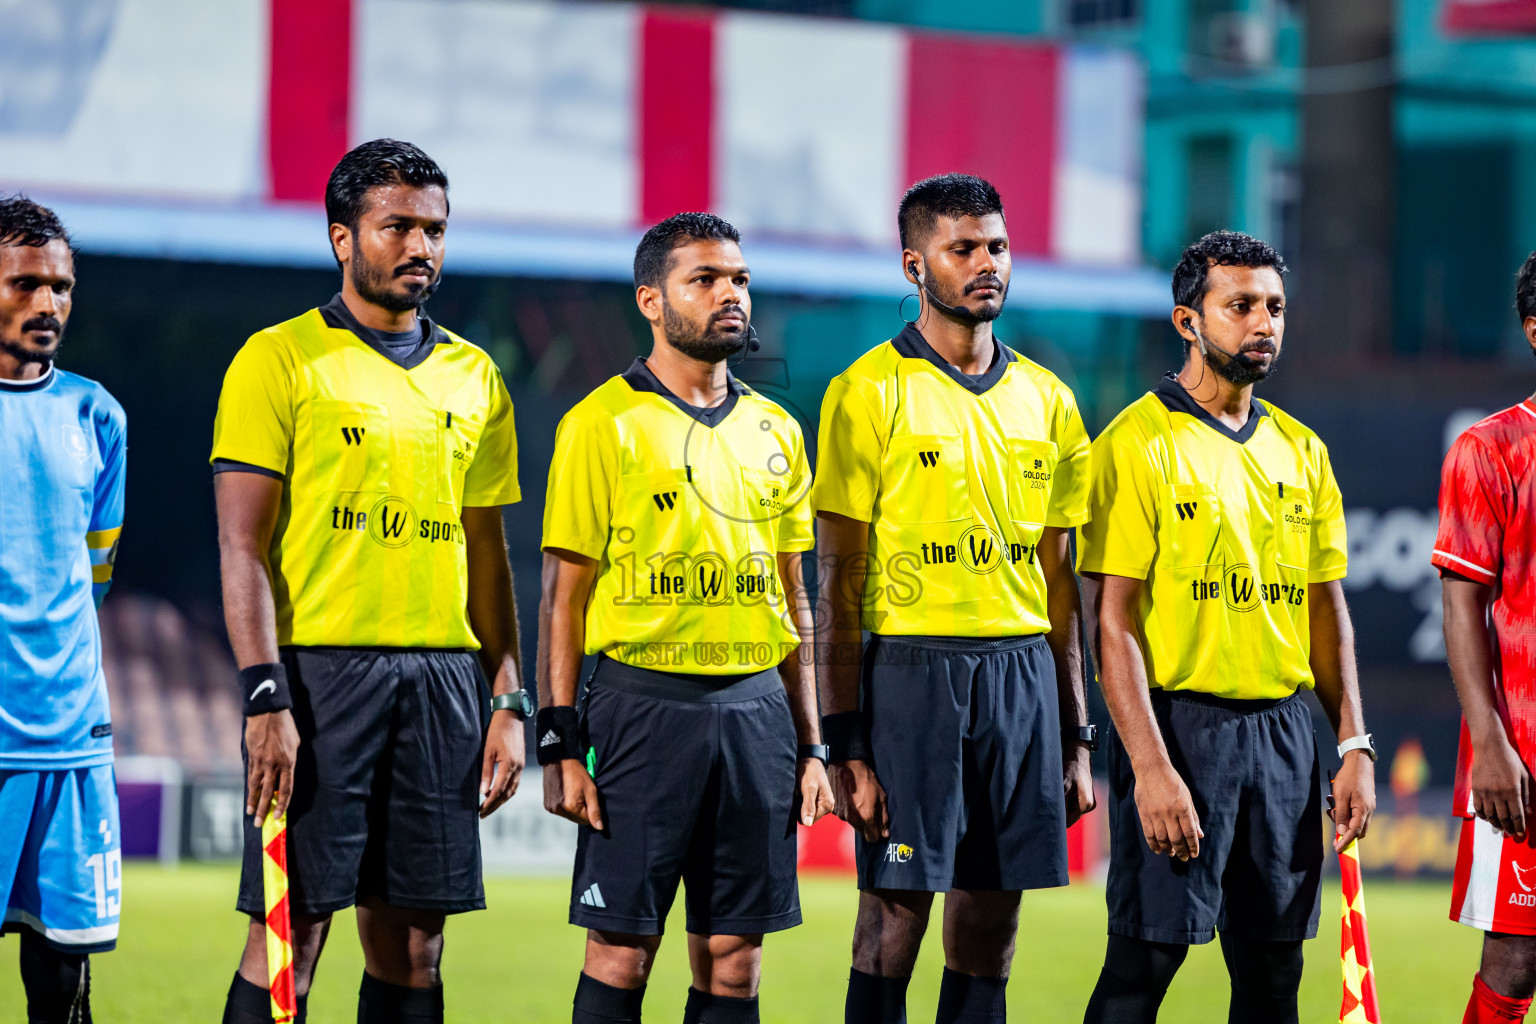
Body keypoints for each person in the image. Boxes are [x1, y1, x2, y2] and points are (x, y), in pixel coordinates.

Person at [210, 139, 526, 1024]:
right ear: (343, 238)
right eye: (398, 226)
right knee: (290, 938)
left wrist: (509, 697)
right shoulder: (278, 359)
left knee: (415, 946)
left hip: (441, 683)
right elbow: (241, 546)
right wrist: (264, 697)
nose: (420, 246)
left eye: (435, 229)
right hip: (317, 680)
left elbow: (487, 556)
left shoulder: (476, 375)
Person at [813, 173, 1096, 1024]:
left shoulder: (1050, 400)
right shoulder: (866, 391)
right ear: (914, 263)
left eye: (998, 248)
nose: (986, 265)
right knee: (895, 921)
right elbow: (840, 584)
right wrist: (846, 741)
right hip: (911, 676)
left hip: (1019, 678)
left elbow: (1060, 586)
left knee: (992, 919)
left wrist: (1077, 735)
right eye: (962, 248)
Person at [538, 212, 834, 1024]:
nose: (728, 294)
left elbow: (793, 599)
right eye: (703, 280)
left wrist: (812, 745)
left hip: (758, 717)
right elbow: (563, 596)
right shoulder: (600, 424)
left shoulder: (778, 430)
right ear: (651, 300)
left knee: (735, 963)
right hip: (641, 710)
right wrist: (560, 742)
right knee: (623, 954)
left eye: (737, 278)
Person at [1078, 230, 1376, 1024]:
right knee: (1143, 966)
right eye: (1240, 305)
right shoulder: (1135, 443)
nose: (1263, 323)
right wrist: (1150, 767)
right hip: (1183, 730)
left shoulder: (1302, 451)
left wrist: (1352, 744)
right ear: (1188, 321)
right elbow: (1113, 624)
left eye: (1274, 306)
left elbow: (1325, 611)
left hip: (1283, 740)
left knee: (1275, 980)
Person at [0, 196, 126, 1024]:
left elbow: (96, 571)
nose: (49, 305)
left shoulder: (98, 414)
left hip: (70, 739)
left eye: (62, 287)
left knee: (62, 990)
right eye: (25, 285)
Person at [1437, 251, 1536, 1024]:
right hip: (1525, 754)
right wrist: (1490, 744)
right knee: (1515, 957)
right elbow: (1462, 604)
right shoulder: (1492, 449)